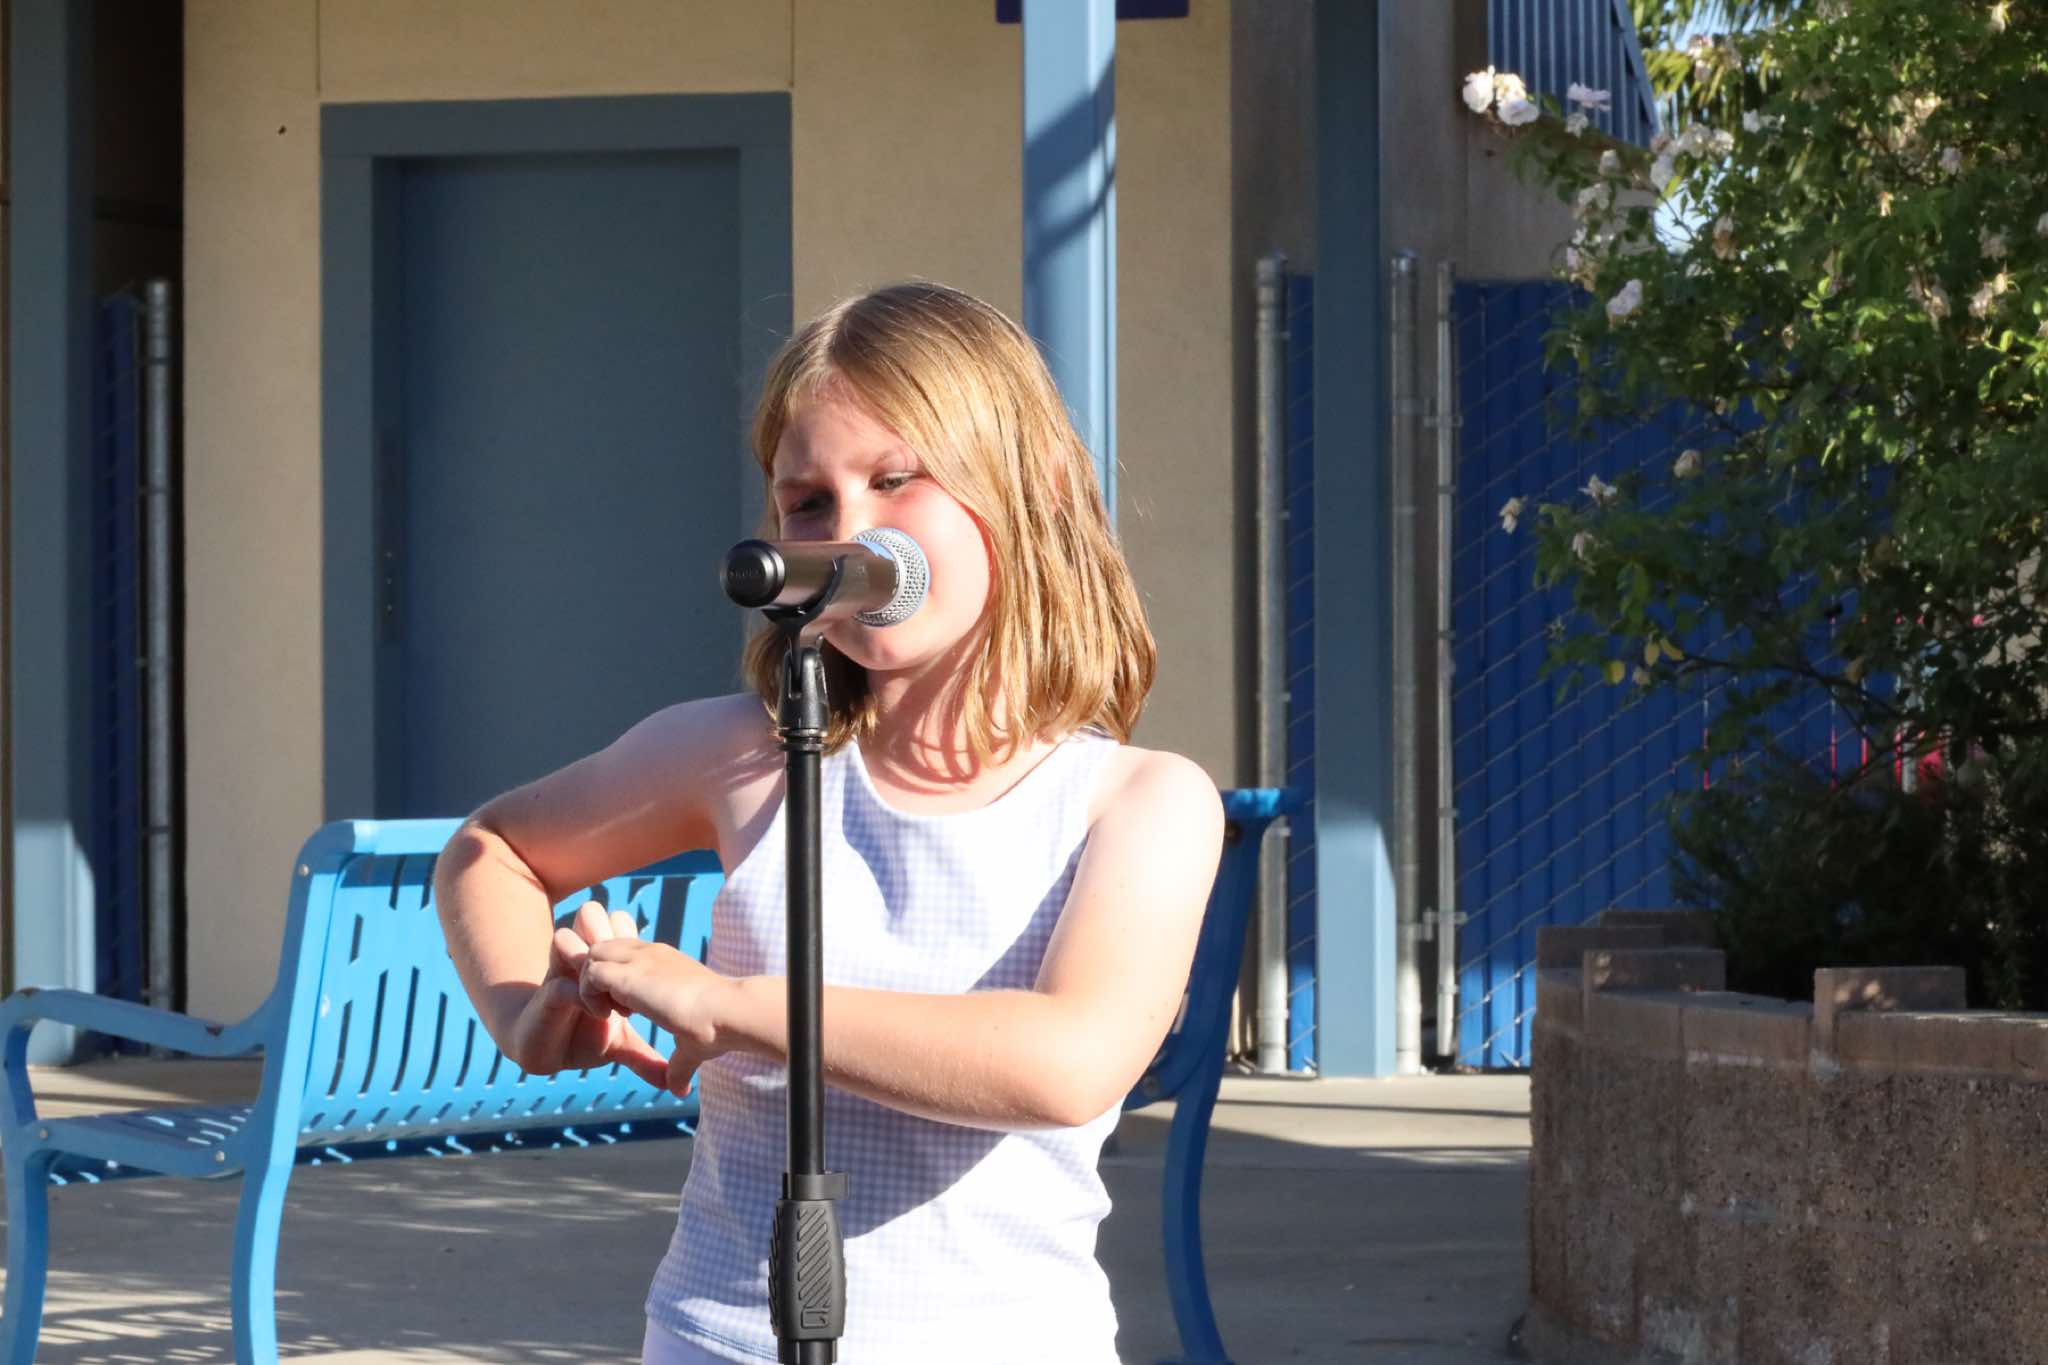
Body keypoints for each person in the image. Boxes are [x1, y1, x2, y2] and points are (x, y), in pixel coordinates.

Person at [432, 281, 1225, 1364]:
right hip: (721, 1338)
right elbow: (493, 850)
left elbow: (1065, 1064)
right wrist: (525, 1006)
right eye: (807, 503)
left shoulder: (1140, 800)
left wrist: (734, 1007)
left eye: (895, 479)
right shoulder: (737, 755)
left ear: (1034, 490)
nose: (850, 530)